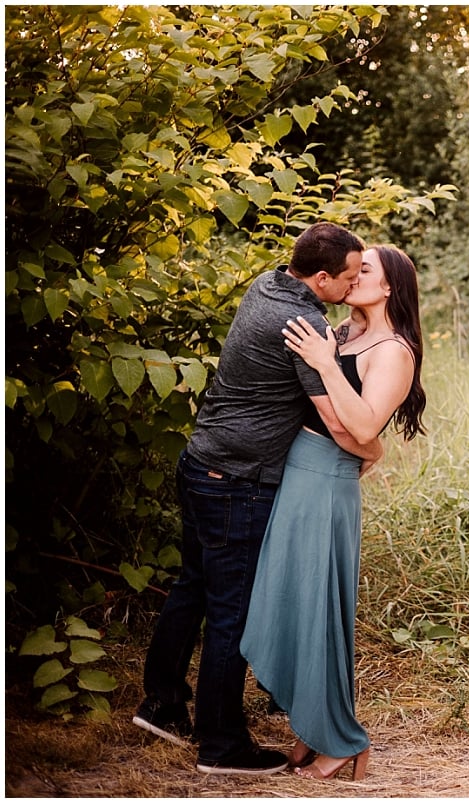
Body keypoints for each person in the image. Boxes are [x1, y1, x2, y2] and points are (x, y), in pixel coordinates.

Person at [132, 222, 381, 775]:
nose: (351, 285)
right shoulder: (303, 322)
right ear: (320, 278)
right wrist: (372, 448)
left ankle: (163, 705)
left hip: (199, 462)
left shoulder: (266, 286)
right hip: (237, 480)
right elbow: (337, 420)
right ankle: (221, 747)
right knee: (231, 612)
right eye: (345, 278)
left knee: (193, 586)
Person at [240, 245, 427, 781]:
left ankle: (343, 740)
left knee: (320, 607)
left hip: (325, 482)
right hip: (296, 470)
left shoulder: (393, 349)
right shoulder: (341, 332)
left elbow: (365, 426)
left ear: (389, 286)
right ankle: (311, 729)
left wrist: (324, 363)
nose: (352, 277)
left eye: (364, 270)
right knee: (295, 601)